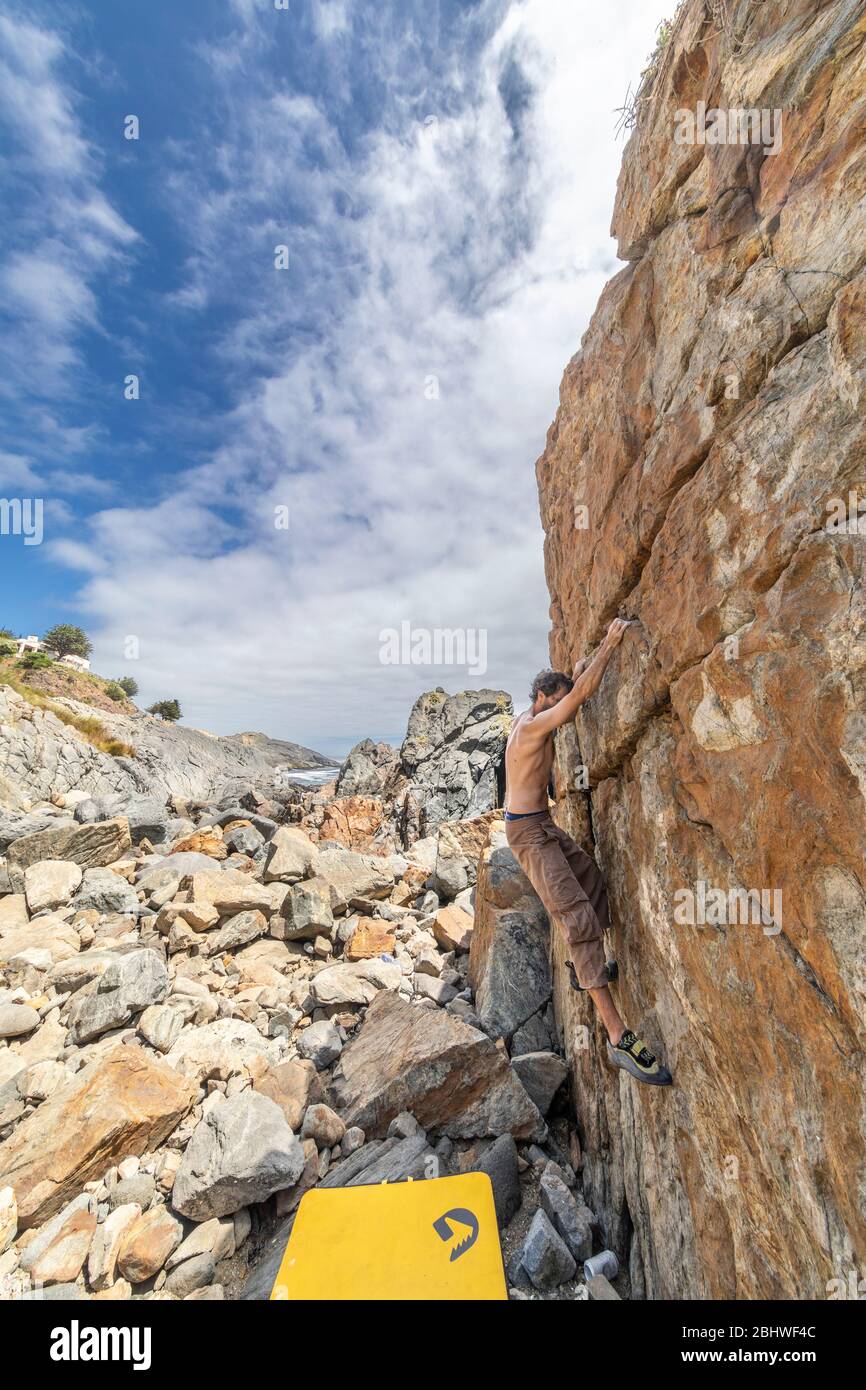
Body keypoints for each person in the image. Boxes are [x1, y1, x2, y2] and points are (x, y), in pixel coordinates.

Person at [504, 618, 672, 1086]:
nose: (562, 712)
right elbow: (576, 701)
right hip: (528, 834)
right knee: (576, 917)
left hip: (541, 823)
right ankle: (619, 1038)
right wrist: (611, 644)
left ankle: (587, 971)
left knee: (593, 882)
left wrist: (579, 670)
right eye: (555, 703)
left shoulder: (532, 712)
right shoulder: (533, 728)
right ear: (542, 702)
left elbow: (571, 689)